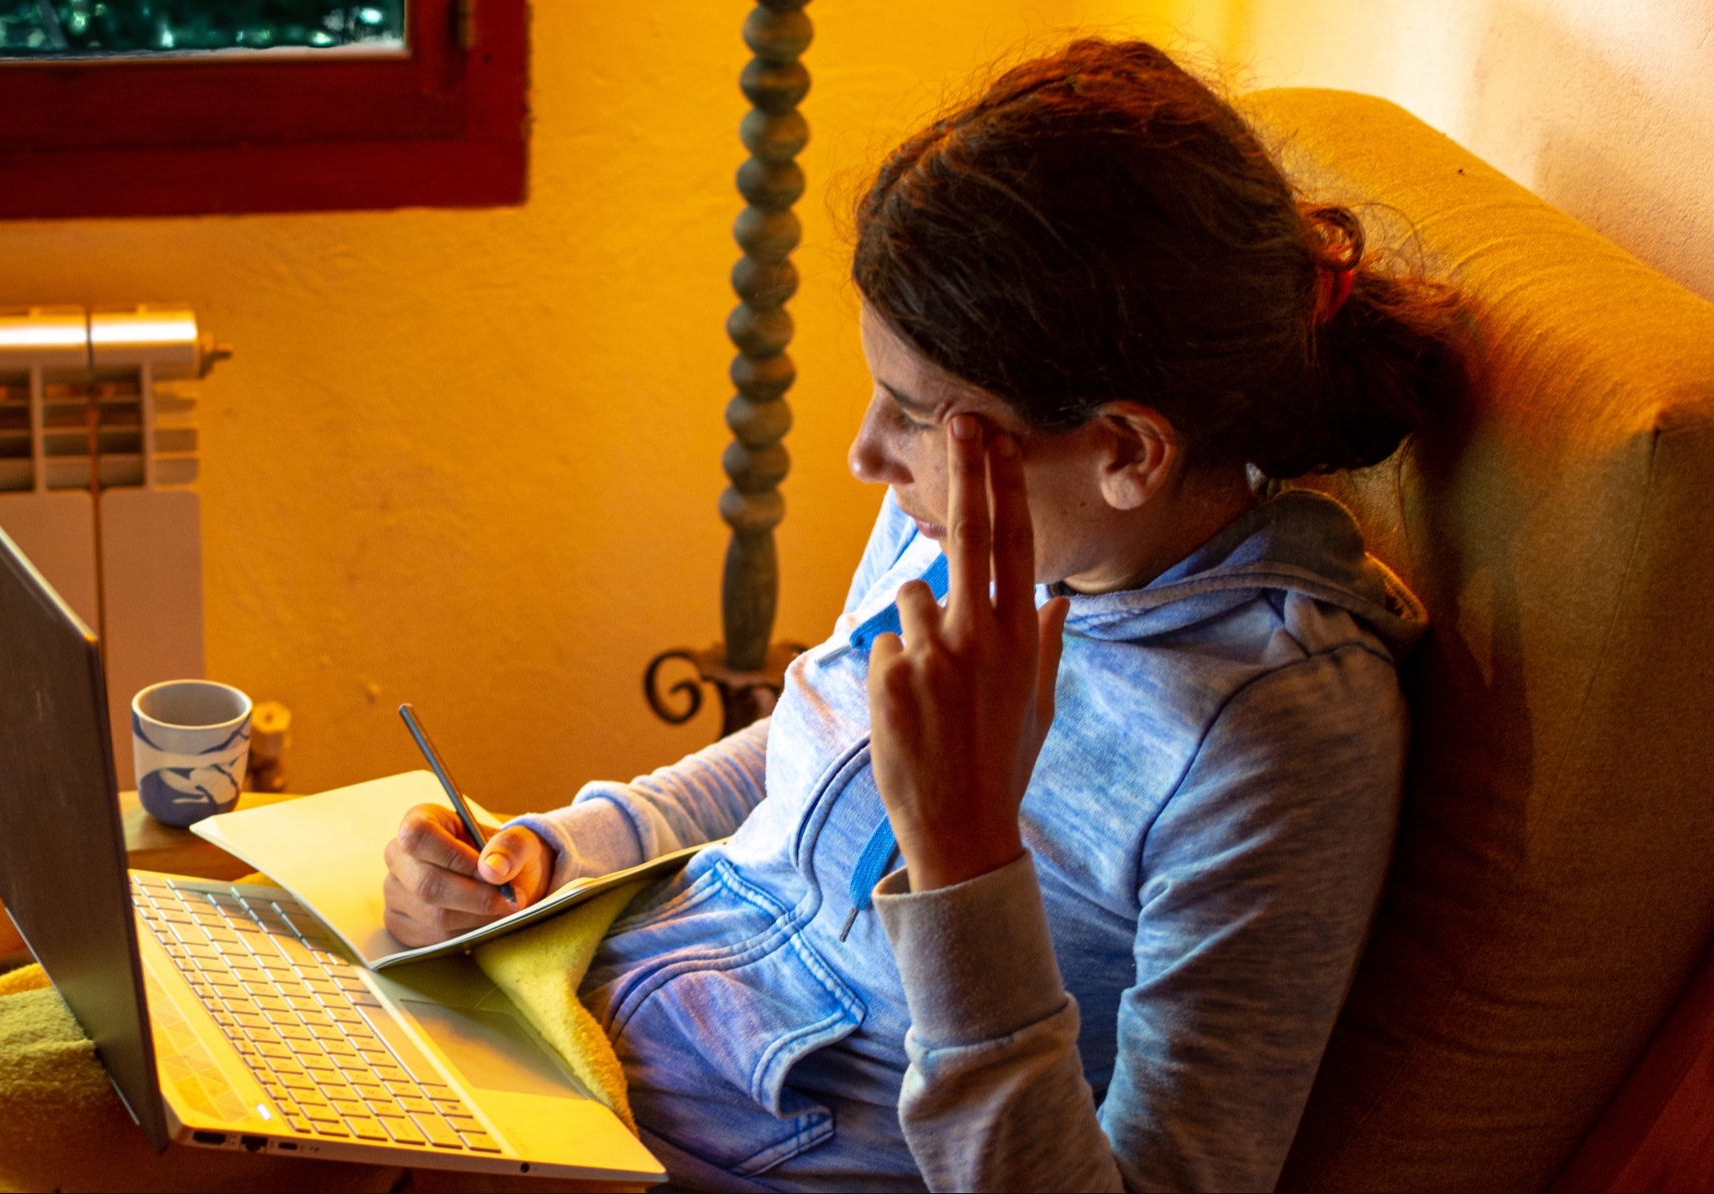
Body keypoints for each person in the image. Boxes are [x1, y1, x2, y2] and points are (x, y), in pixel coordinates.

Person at [383, 38, 1463, 1192]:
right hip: (585, 1042)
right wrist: (564, 848)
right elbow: (819, 748)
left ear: (1127, 451)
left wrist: (965, 860)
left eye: (912, 413)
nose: (864, 456)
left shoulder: (1273, 741)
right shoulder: (980, 518)